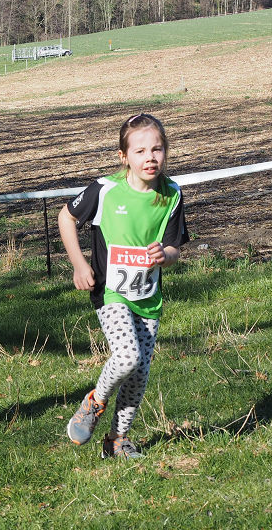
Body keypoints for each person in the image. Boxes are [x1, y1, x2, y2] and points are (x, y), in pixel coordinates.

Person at [58, 113, 188, 459]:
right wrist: (79, 264)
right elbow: (66, 217)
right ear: (124, 156)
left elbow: (175, 247)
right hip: (110, 292)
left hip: (148, 296)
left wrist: (165, 255)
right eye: (140, 151)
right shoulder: (105, 190)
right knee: (128, 356)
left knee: (140, 373)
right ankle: (95, 401)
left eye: (157, 149)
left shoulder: (172, 194)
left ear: (166, 151)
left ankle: (117, 441)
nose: (150, 158)